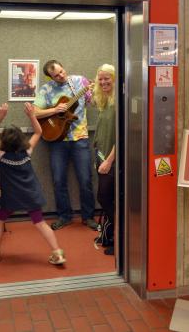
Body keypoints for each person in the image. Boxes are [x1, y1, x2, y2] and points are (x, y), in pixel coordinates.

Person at [0, 102, 66, 265]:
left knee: (0, 219)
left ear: (3, 140)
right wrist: (31, 115)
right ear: (21, 139)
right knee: (40, 222)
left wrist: (1, 116)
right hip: (30, 193)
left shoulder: (0, 152)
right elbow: (38, 131)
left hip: (10, 196)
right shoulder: (27, 150)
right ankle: (57, 253)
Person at [33, 59, 97, 231]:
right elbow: (35, 112)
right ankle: (64, 216)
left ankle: (89, 217)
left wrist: (94, 90)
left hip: (80, 138)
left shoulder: (80, 82)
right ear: (50, 77)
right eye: (56, 75)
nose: (61, 76)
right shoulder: (47, 89)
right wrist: (55, 110)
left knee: (85, 179)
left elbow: (94, 102)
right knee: (58, 180)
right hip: (57, 141)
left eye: (61, 71)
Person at [92, 64, 115, 256]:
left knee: (105, 197)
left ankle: (120, 239)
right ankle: (109, 235)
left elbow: (121, 137)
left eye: (107, 78)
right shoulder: (104, 101)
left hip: (112, 159)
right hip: (101, 157)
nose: (103, 81)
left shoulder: (117, 103)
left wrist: (108, 161)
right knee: (107, 197)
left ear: (115, 78)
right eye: (100, 79)